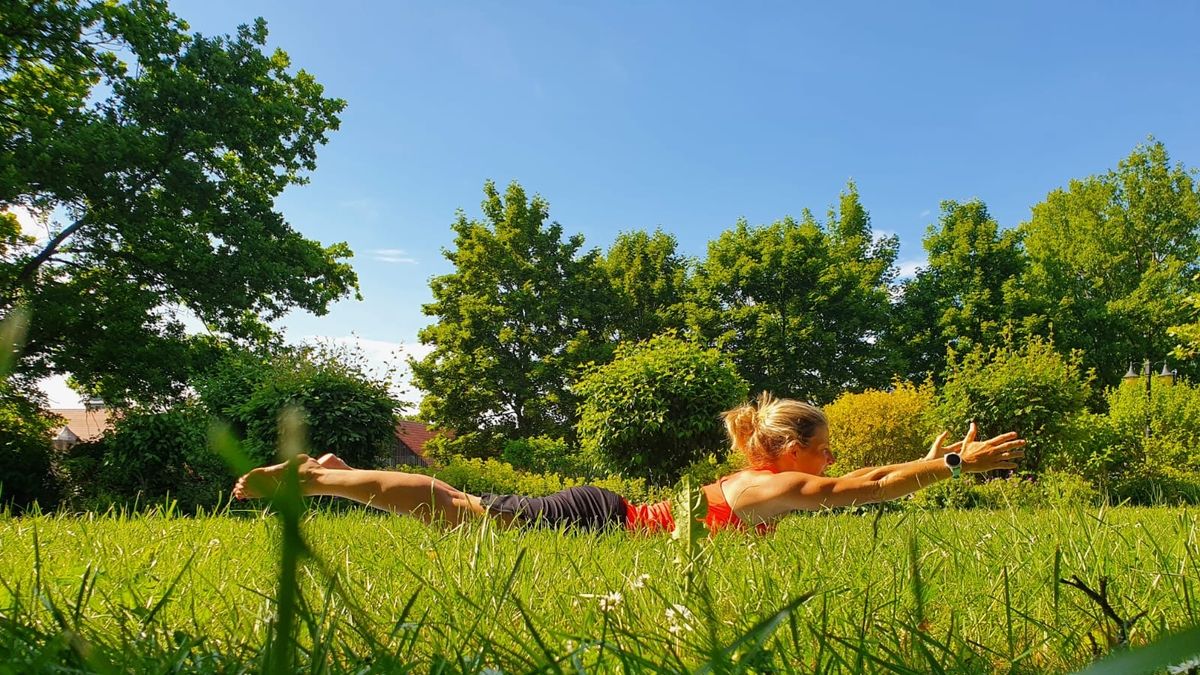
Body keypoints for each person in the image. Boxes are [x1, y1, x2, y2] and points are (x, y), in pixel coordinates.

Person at [232, 392, 1025, 533]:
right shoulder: (777, 483)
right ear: (787, 448)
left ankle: (332, 472)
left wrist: (933, 462)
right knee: (460, 512)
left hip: (605, 512)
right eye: (824, 447)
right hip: (597, 521)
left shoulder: (766, 478)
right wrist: (952, 465)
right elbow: (868, 484)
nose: (832, 461)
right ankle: (318, 477)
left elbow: (872, 477)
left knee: (464, 511)